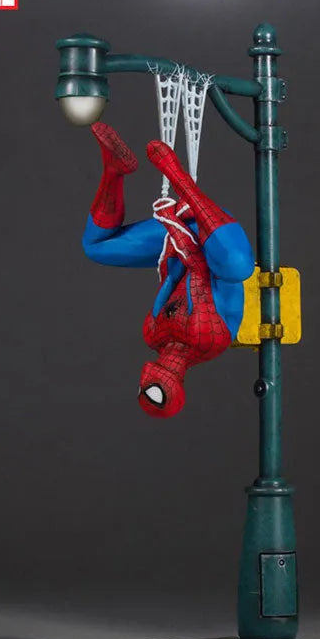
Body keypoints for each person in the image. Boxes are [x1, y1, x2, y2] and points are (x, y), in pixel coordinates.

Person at [82, 123, 255, 418]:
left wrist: (173, 226)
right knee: (238, 266)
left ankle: (114, 169)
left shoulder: (152, 334)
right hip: (217, 237)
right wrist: (175, 191)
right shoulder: (210, 341)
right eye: (157, 395)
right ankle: (181, 178)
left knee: (96, 246)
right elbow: (204, 275)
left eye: (145, 390)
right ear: (176, 389)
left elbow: (170, 276)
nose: (150, 384)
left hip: (180, 238)